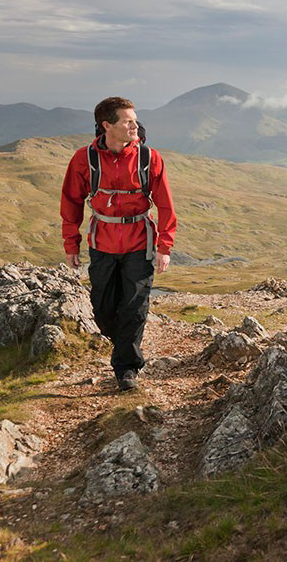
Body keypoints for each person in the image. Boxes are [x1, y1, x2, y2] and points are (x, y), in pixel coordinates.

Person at [61, 97, 177, 390]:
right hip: (102, 244)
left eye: (135, 120)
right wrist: (71, 244)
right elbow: (71, 202)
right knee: (102, 309)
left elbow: (165, 205)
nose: (135, 125)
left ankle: (127, 369)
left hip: (140, 243)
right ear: (107, 125)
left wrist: (164, 248)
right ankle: (122, 343)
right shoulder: (84, 159)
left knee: (134, 307)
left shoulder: (149, 158)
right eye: (128, 121)